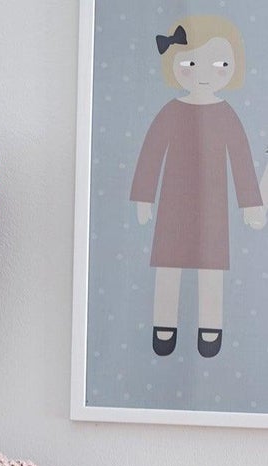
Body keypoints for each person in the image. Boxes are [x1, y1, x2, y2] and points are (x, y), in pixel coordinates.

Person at [130, 15, 265, 358]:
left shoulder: (226, 114)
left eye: (218, 63)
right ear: (175, 65)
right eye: (191, 62)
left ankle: (210, 327)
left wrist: (250, 202)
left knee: (211, 268)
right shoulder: (170, 112)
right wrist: (144, 197)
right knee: (168, 266)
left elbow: (241, 160)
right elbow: (150, 154)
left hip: (213, 206)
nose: (204, 73)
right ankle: (164, 326)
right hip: (173, 204)